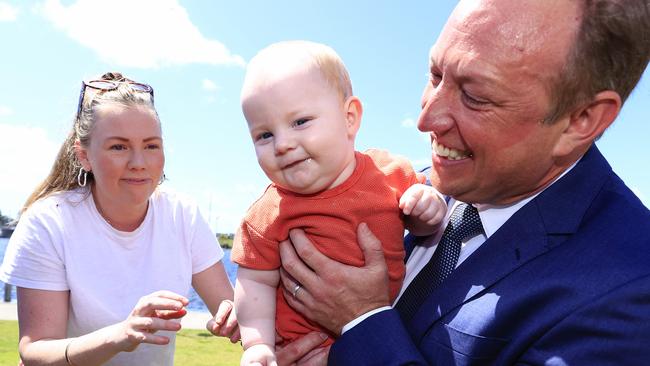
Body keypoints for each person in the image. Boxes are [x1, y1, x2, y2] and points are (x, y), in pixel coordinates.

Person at [275, 0, 650, 364]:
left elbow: (364, 331)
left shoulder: (629, 291)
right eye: (435, 75)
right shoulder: (401, 189)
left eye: (475, 96)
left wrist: (360, 323)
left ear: (581, 119)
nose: (426, 119)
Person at [0, 72, 239, 366]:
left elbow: (229, 308)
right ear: (84, 156)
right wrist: (120, 335)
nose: (139, 163)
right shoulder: (48, 222)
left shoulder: (183, 215)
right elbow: (35, 350)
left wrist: (232, 318)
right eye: (119, 147)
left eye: (151, 146)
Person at [231, 41, 447, 365]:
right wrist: (257, 344)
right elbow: (254, 281)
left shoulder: (390, 173)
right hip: (299, 350)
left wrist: (427, 208)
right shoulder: (265, 214)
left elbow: (423, 223)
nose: (283, 144)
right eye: (264, 135)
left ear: (349, 118)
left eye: (300, 121)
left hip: (373, 341)